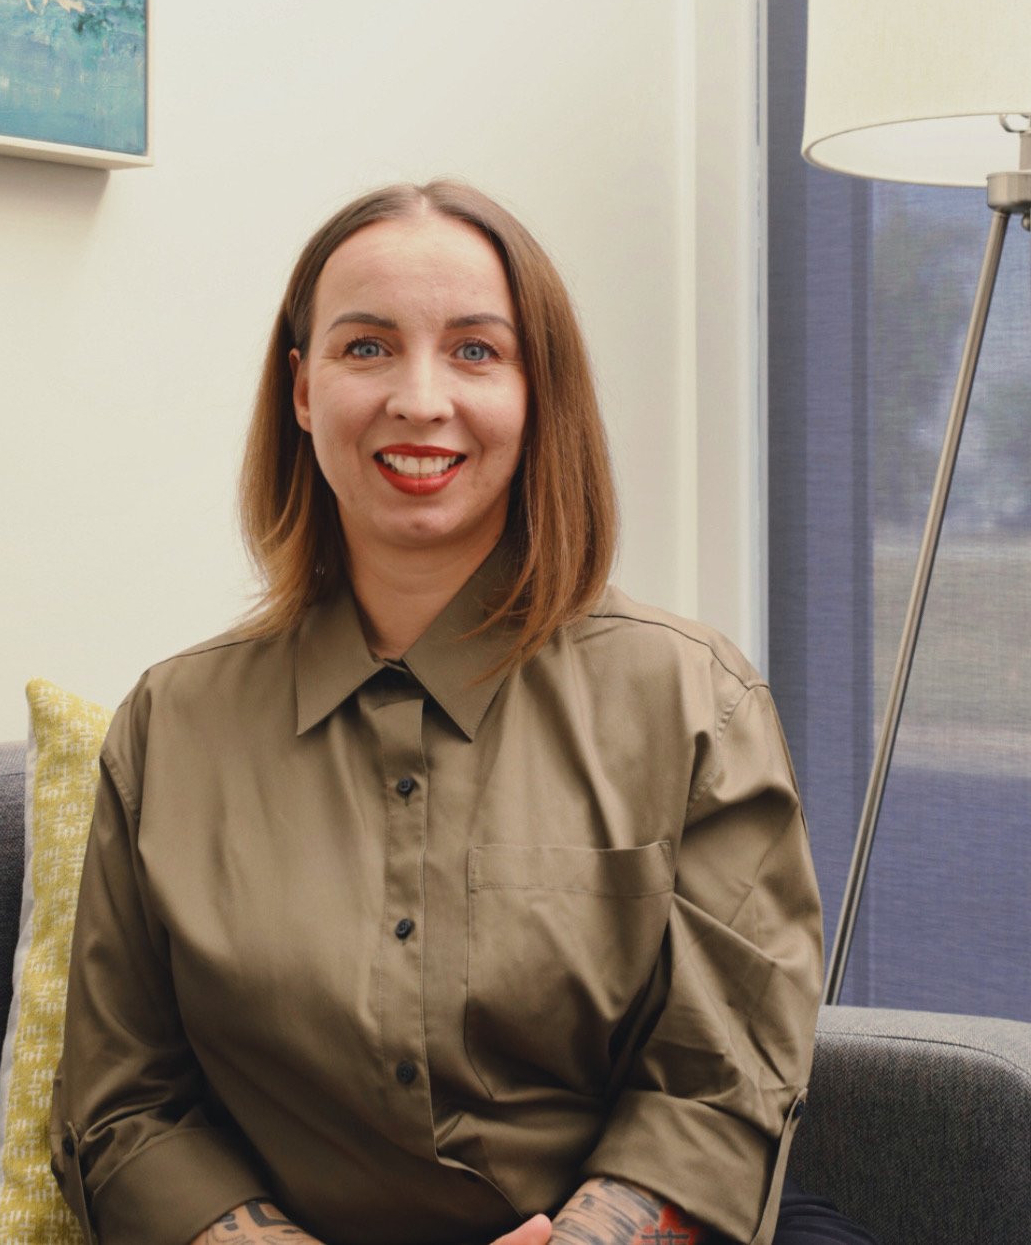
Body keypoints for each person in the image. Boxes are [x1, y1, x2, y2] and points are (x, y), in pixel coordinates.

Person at [51, 181, 877, 1245]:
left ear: (538, 392)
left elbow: (725, 1075)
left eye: (477, 351)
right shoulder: (171, 726)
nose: (420, 397)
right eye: (367, 348)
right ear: (303, 391)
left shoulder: (692, 700)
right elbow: (126, 1105)